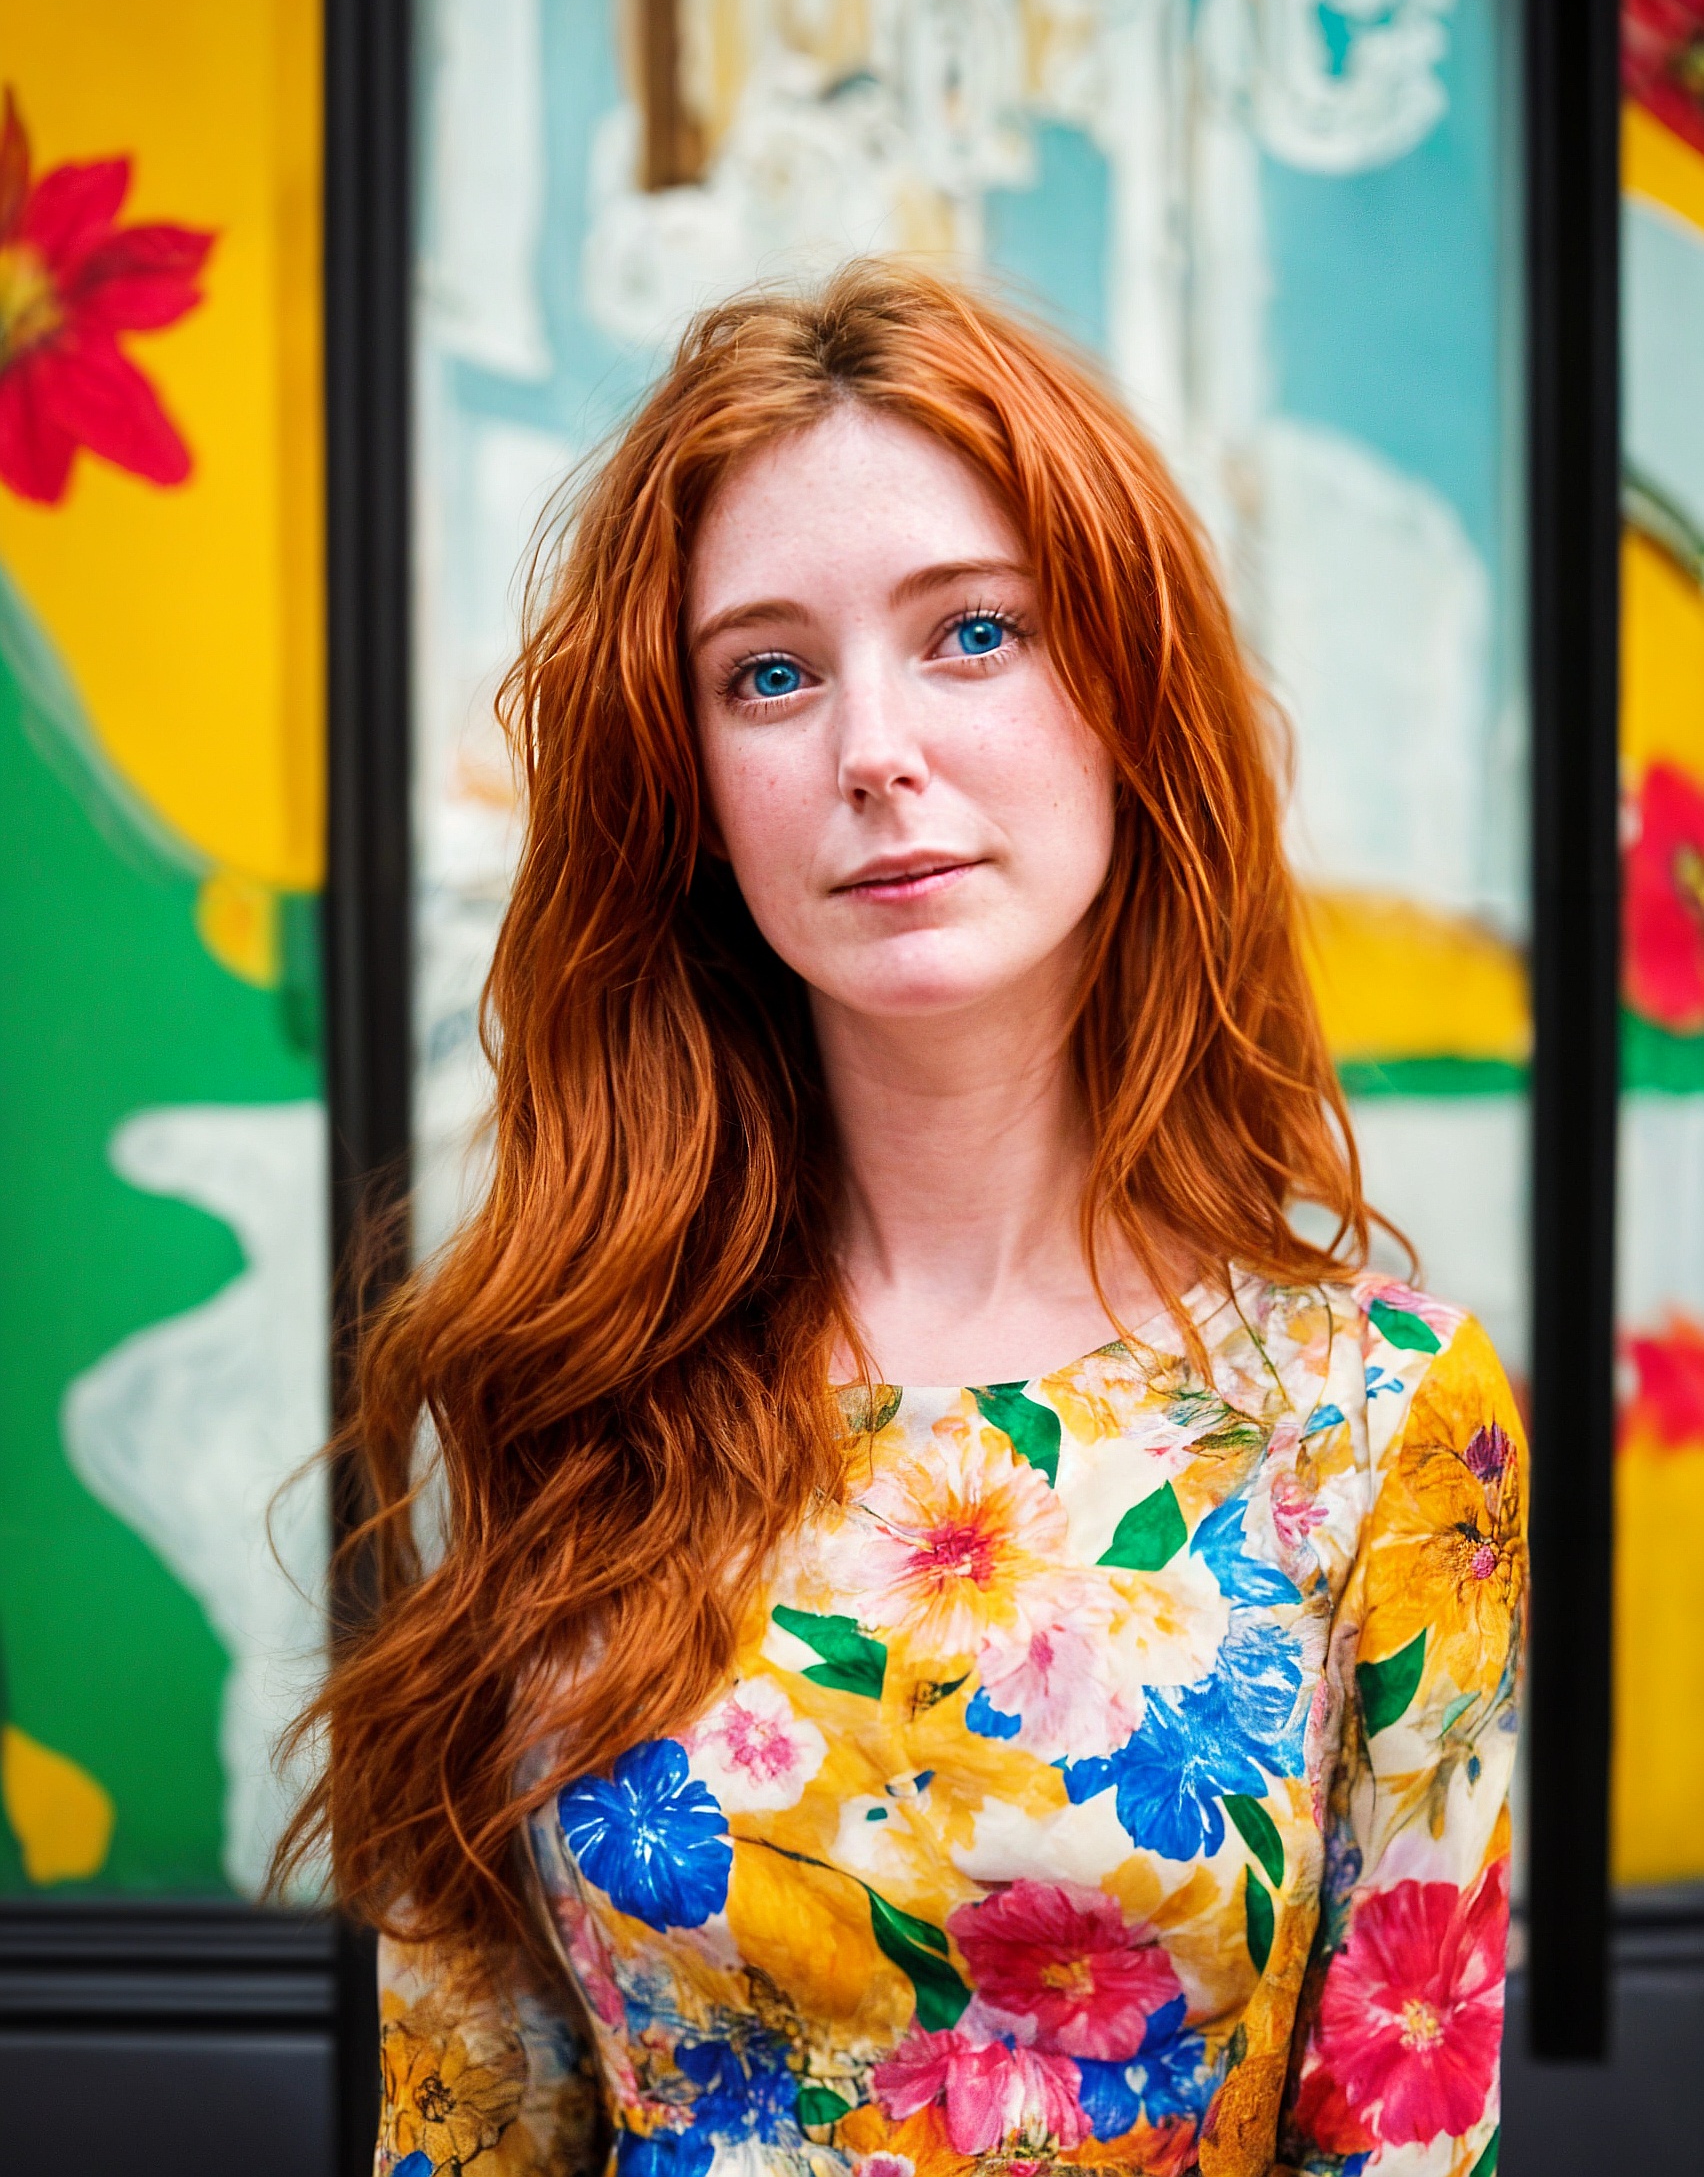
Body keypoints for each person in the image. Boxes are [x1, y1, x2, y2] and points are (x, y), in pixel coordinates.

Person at [288, 264, 1525, 2177]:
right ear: (696, 793)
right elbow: (464, 2120)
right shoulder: (569, 1374)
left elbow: (1408, 2140)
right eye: (767, 673)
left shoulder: (1375, 1426)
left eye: (974, 634)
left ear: (1132, 698)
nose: (872, 746)